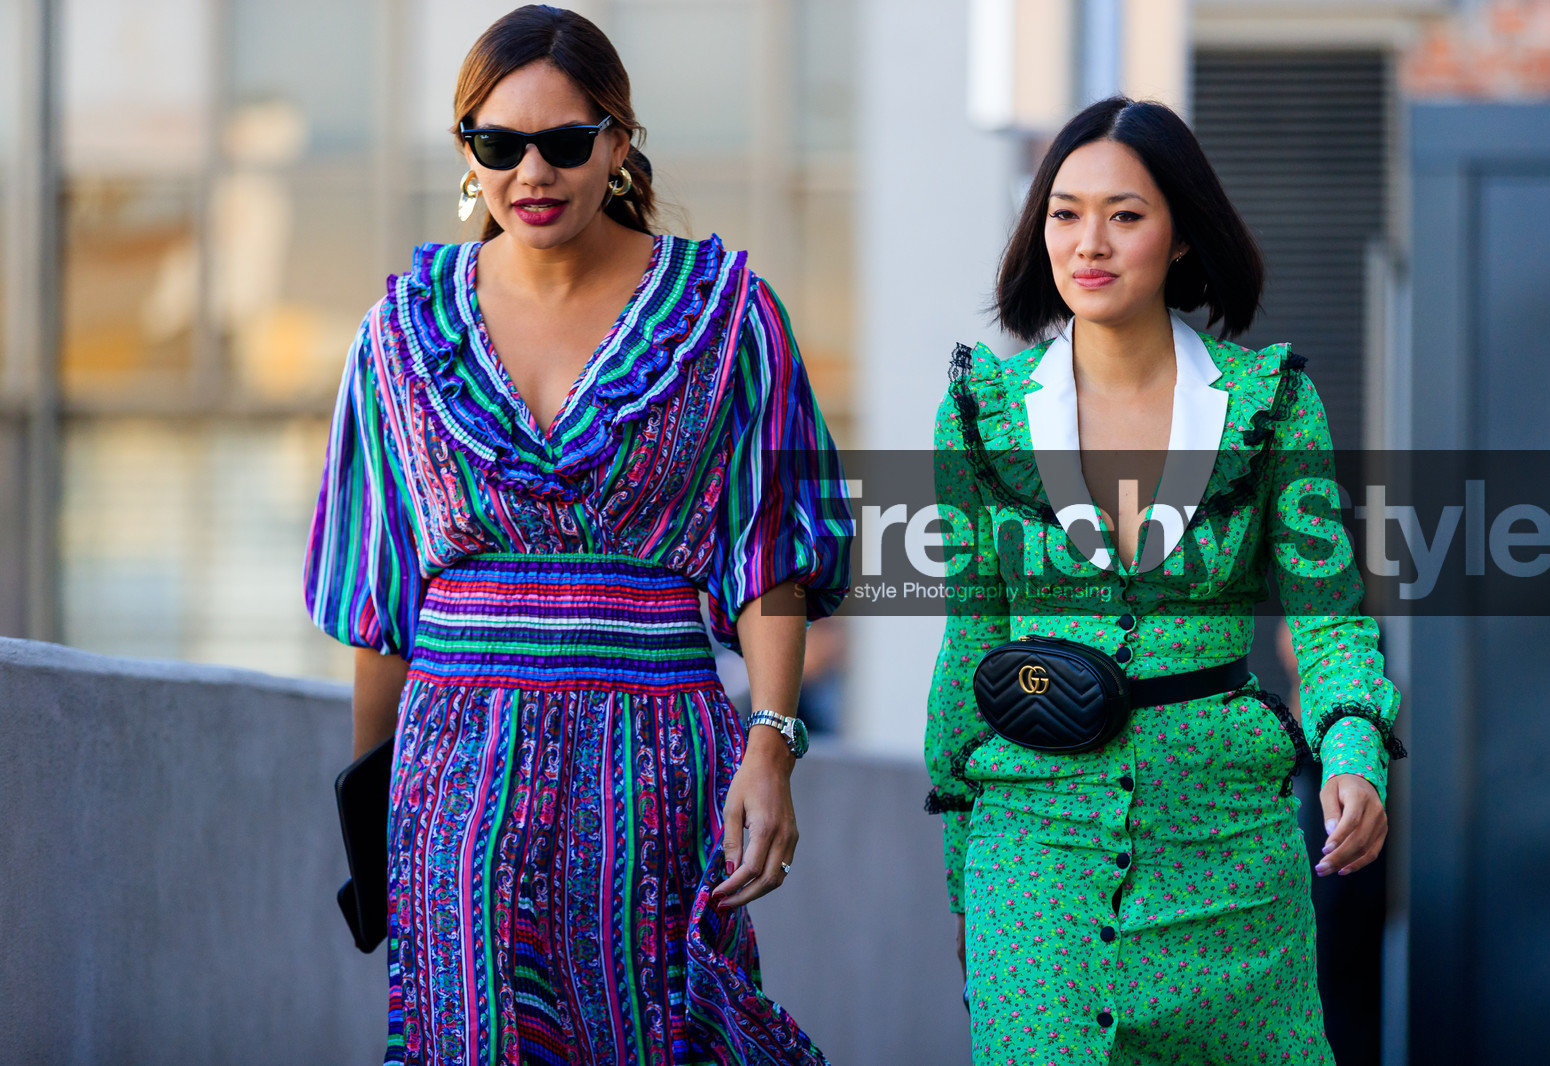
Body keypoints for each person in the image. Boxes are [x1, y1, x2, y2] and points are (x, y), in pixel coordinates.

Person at [302, 7, 850, 1064]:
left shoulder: (727, 314)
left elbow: (774, 552)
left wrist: (771, 747)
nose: (532, 172)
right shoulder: (399, 336)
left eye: (564, 140)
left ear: (618, 141)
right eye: (498, 146)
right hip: (453, 773)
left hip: (658, 763)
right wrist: (371, 817)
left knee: (664, 1031)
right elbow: (378, 609)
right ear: (468, 155)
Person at [923, 96, 1405, 1064]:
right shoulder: (980, 414)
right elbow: (972, 642)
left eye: (1124, 214)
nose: (1087, 241)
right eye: (1064, 212)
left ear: (1181, 237)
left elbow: (1327, 621)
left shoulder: (1273, 405)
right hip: (1034, 849)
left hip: (1230, 853)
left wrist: (1354, 744)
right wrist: (963, 852)